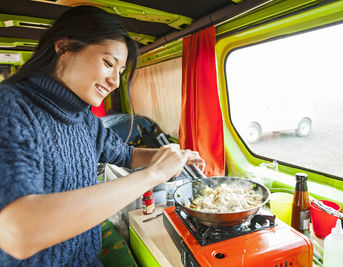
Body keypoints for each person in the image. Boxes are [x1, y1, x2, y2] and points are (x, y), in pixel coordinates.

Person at [0, 5, 205, 266]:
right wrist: (153, 174)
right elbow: (19, 232)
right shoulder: (10, 108)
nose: (115, 82)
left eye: (120, 72)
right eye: (108, 63)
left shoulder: (84, 118)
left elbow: (127, 155)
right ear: (64, 47)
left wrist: (171, 158)